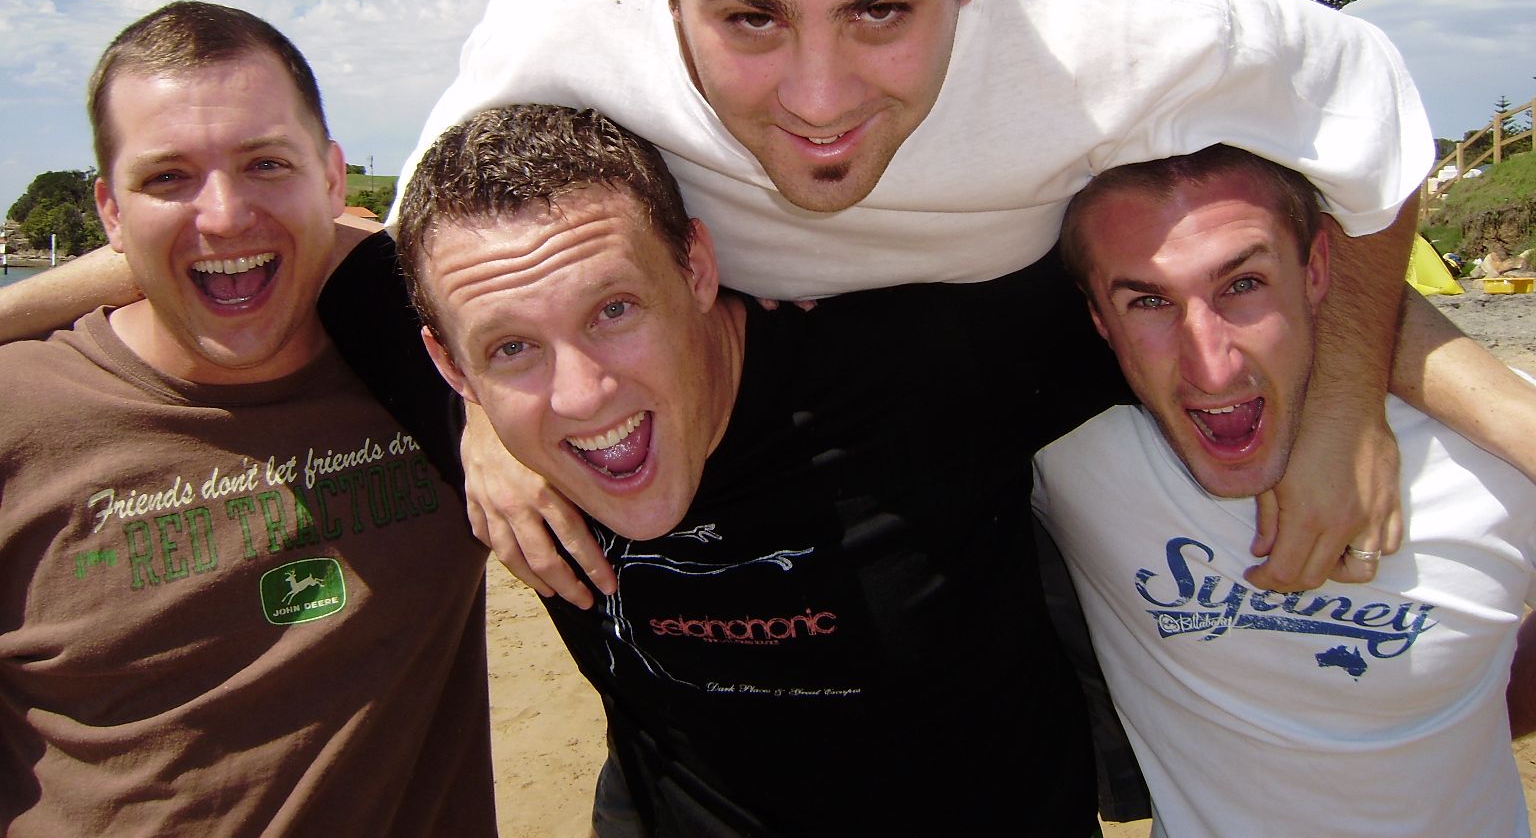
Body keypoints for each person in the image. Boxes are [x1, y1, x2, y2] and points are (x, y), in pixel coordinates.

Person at [3, 0, 1530, 588]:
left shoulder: (1128, 15)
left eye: (884, 9)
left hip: (990, 387)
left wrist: (1339, 417)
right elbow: (378, 244)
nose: (816, 97)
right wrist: (479, 428)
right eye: (745, 18)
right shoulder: (554, 30)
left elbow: (1366, 136)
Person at [384, 102, 1134, 836]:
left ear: (698, 269)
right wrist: (479, 430)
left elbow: (1164, 285)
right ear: (451, 367)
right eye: (511, 348)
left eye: (614, 309)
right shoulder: (508, 445)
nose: (582, 397)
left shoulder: (924, 370)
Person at [0, 3, 494, 836]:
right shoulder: (21, 415)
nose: (225, 214)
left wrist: (497, 429)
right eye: (167, 178)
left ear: (332, 178)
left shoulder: (437, 371)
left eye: (266, 163)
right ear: (109, 211)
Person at [1034, 144, 1536, 837]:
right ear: (1097, 317)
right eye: (1148, 300)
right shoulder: (1075, 455)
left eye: (1243, 284)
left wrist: (1463, 720)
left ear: (1319, 269)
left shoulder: (1488, 456)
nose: (1211, 366)